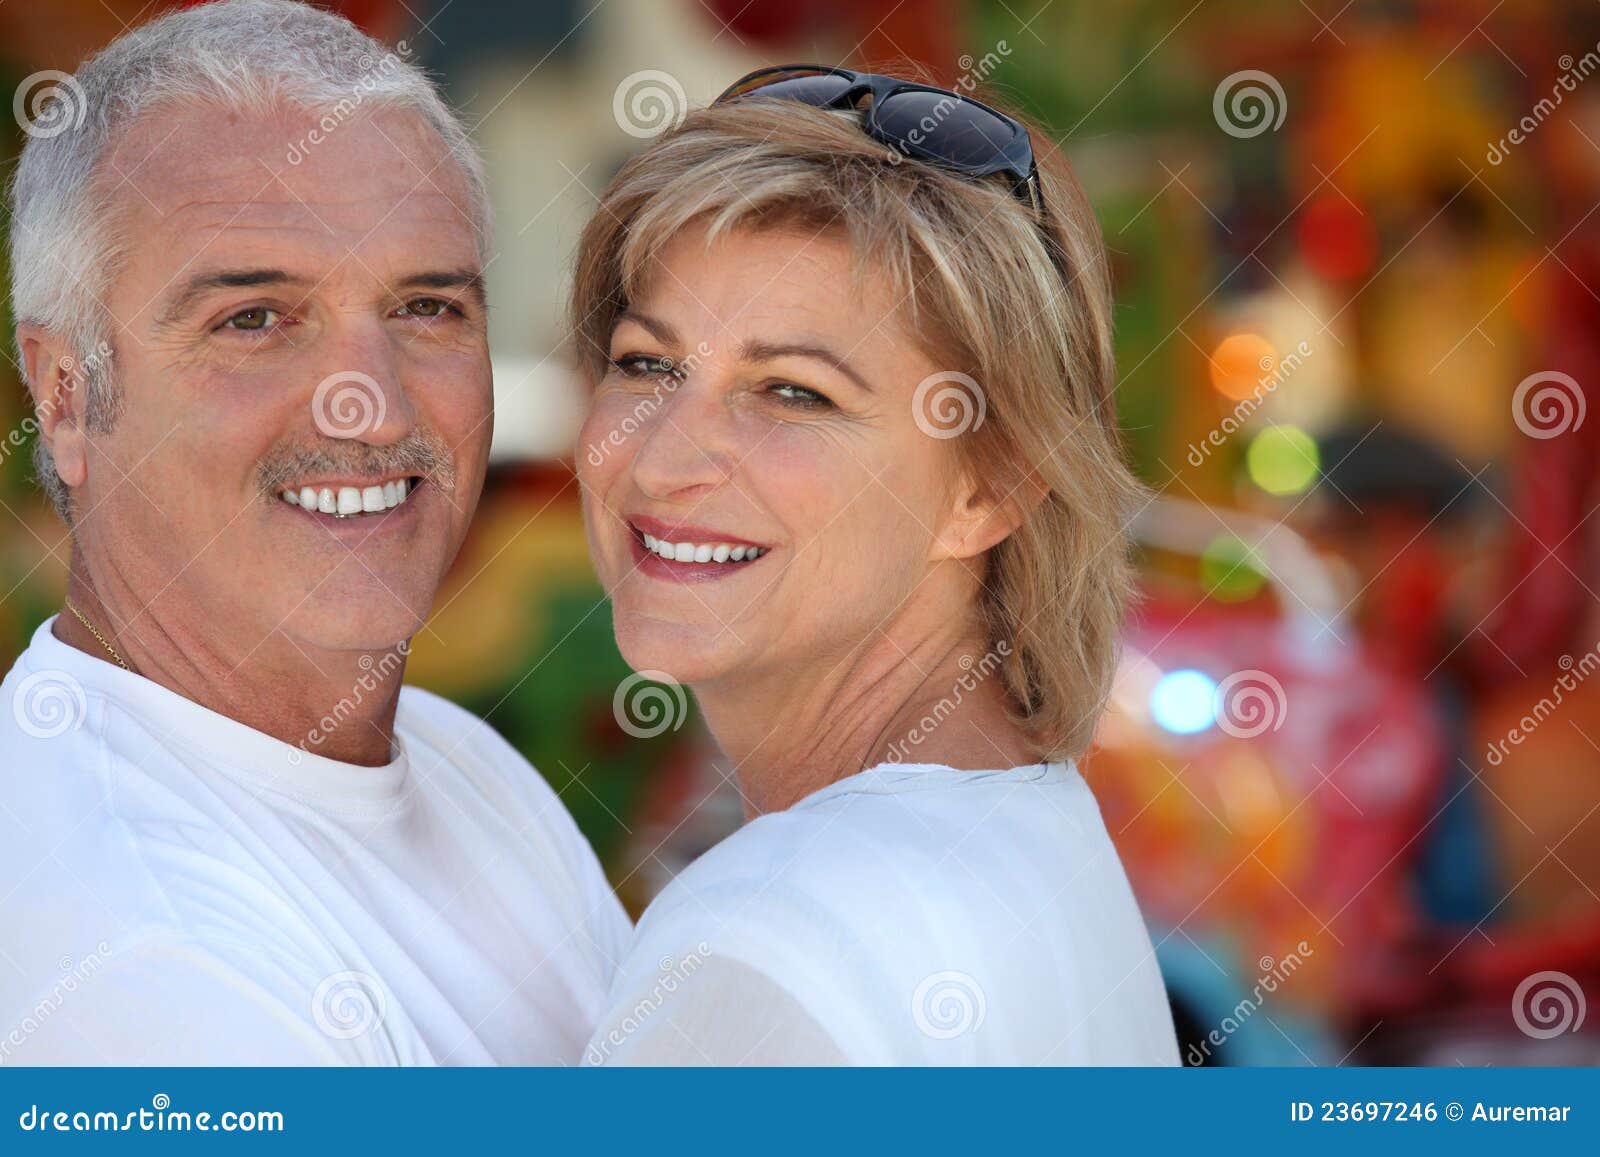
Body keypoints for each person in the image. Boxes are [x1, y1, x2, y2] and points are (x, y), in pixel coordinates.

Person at [0, 0, 626, 1065]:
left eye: (427, 308)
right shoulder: (132, 957)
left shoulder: (459, 762)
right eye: (253, 319)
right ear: (65, 399)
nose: (370, 407)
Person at [571, 66, 1180, 1064]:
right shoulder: (1030, 827)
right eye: (646, 363)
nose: (663, 459)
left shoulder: (764, 940)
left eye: (792, 393)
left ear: (988, 488)